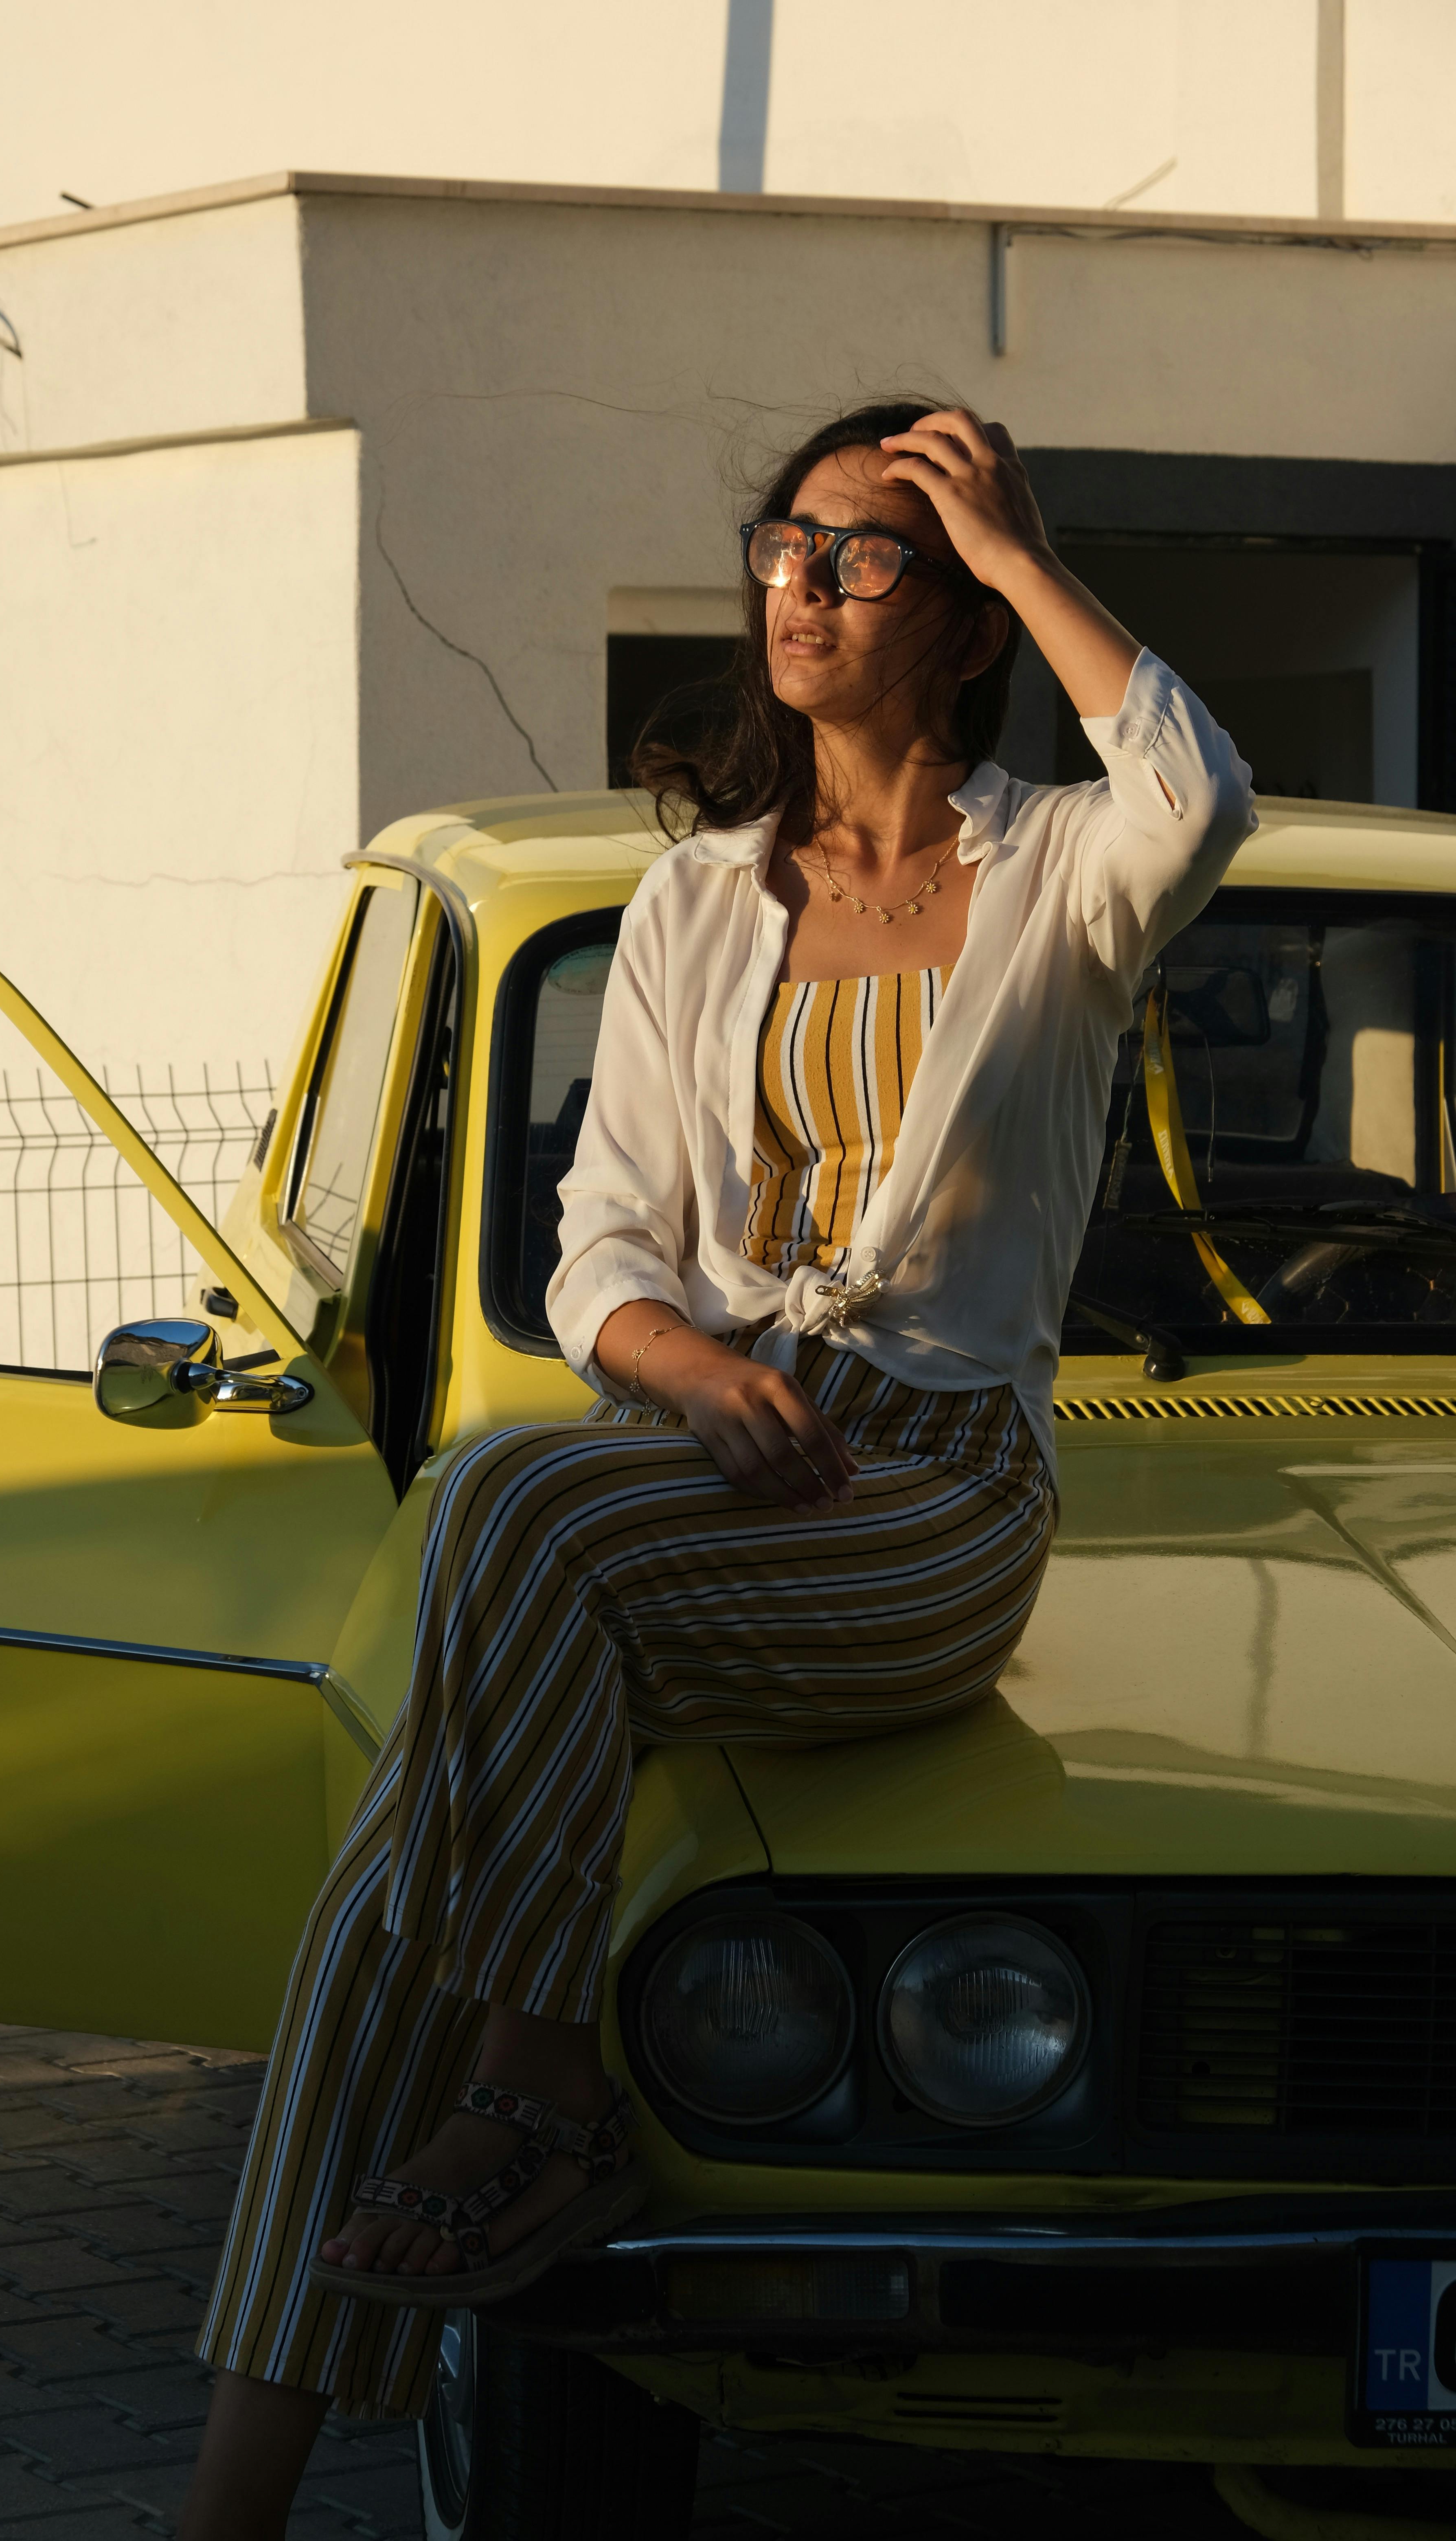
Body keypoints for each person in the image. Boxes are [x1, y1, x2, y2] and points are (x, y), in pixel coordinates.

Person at [179, 398, 1255, 2536]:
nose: (805, 588)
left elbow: (1201, 786)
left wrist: (1027, 545)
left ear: (958, 624)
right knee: (374, 1916)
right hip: (709, 1475)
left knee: (497, 1517)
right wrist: (675, 1361)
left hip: (932, 1495)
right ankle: (248, 2487)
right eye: (791, 546)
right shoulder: (692, 904)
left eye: (870, 558)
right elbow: (600, 1250)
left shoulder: (1057, 875)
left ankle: (542, 2089)